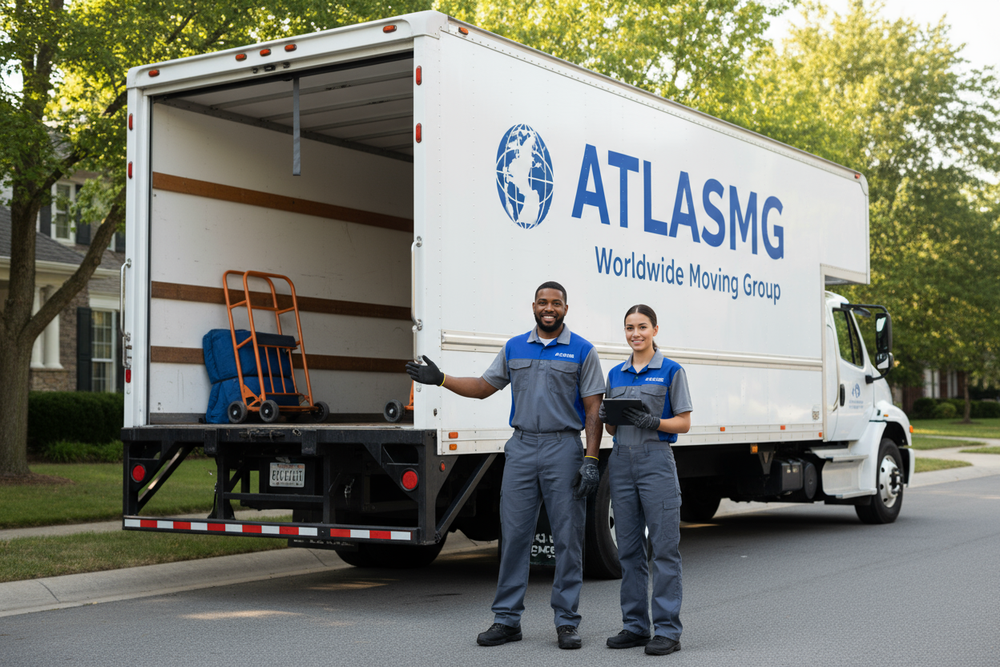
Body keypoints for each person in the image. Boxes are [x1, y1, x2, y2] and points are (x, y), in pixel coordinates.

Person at [406, 281, 604, 650]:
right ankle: (507, 620)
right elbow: (484, 387)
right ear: (534, 306)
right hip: (522, 448)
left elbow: (594, 409)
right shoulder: (514, 347)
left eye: (556, 303)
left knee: (567, 538)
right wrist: (441, 379)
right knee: (514, 537)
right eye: (542, 302)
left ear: (565, 308)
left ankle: (566, 622)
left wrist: (591, 460)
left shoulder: (582, 350)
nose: (549, 308)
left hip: (563, 448)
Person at [602, 304, 692, 656]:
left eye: (642, 327)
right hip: (621, 461)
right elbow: (612, 429)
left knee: (664, 548)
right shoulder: (616, 373)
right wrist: (608, 416)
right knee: (628, 549)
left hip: (656, 460)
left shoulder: (671, 371)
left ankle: (667, 631)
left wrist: (654, 422)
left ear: (655, 329)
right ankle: (635, 626)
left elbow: (684, 422)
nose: (635, 333)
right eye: (629, 327)